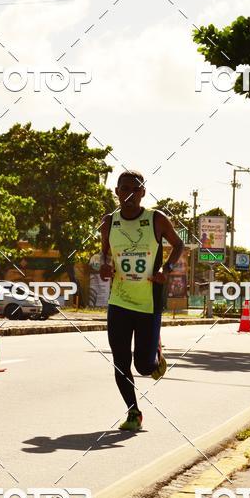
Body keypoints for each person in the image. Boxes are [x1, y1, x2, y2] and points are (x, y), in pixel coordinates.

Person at [100, 171, 184, 431]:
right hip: (119, 301)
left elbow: (178, 245)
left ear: (143, 192)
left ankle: (155, 353)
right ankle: (133, 412)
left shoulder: (156, 219)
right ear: (117, 191)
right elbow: (104, 254)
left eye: (135, 190)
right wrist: (104, 266)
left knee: (144, 367)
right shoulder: (108, 222)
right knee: (121, 360)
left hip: (149, 302)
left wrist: (166, 270)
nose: (129, 195)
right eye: (124, 189)